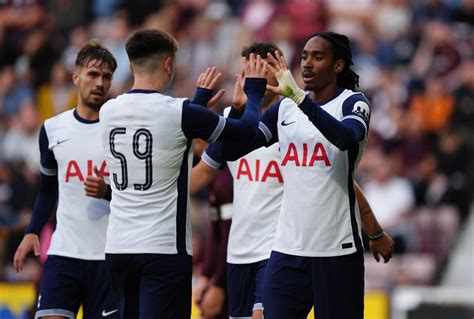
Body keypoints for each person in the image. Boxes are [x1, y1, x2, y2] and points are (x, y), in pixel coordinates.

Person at [193, 41, 394, 319]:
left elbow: (343, 155)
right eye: (305, 57)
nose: (308, 63)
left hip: (324, 246)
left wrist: (373, 229)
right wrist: (209, 113)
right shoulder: (276, 112)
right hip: (272, 249)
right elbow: (226, 154)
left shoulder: (346, 103)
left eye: (318, 57)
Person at [99, 29, 267, 319]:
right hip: (163, 250)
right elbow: (247, 129)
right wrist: (253, 91)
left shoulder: (109, 110)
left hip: (118, 247)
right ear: (168, 64)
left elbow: (161, 134)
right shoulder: (179, 111)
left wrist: (198, 102)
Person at [13, 39, 119, 319]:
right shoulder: (52, 128)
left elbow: (138, 190)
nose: (99, 82)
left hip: (109, 257)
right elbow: (47, 190)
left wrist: (107, 191)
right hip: (64, 254)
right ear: (76, 77)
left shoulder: (120, 131)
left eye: (106, 77)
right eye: (93, 74)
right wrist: (33, 230)